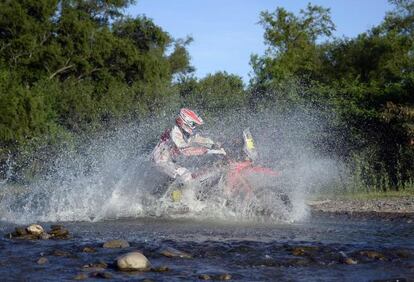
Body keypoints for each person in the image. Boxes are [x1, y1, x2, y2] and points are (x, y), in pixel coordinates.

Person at [152, 108, 226, 185]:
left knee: (188, 173)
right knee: (186, 176)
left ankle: (168, 192)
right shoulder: (175, 131)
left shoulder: (181, 131)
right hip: (161, 162)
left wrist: (213, 144)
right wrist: (210, 151)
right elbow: (185, 151)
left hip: (166, 162)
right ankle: (179, 194)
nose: (194, 127)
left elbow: (195, 139)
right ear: (186, 121)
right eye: (194, 124)